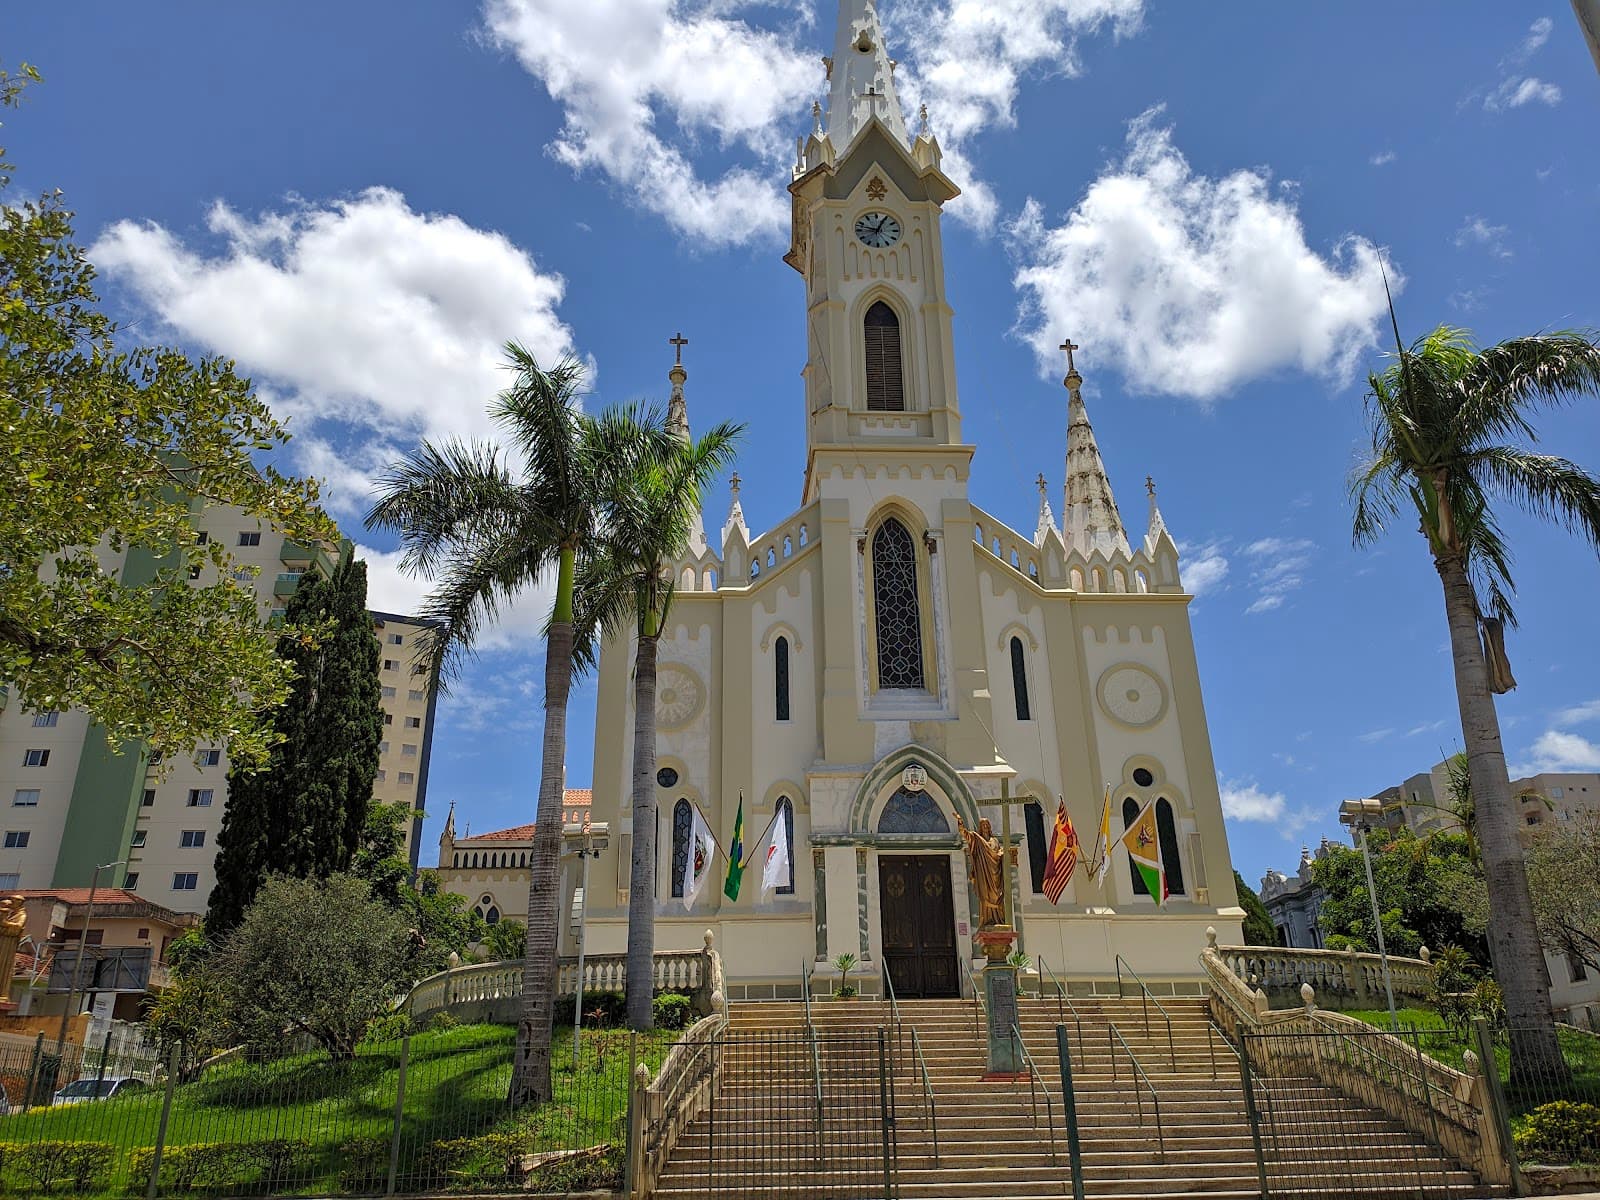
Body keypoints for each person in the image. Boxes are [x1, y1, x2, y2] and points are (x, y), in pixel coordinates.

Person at [955, 814, 1006, 929]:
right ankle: (987, 920)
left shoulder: (995, 841)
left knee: (998, 896)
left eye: (987, 825)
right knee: (985, 895)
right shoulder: (977, 838)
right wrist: (960, 822)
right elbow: (966, 834)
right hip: (984, 873)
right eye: (983, 825)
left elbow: (1000, 852)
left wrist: (1001, 853)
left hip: (996, 874)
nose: (985, 827)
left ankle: (999, 920)